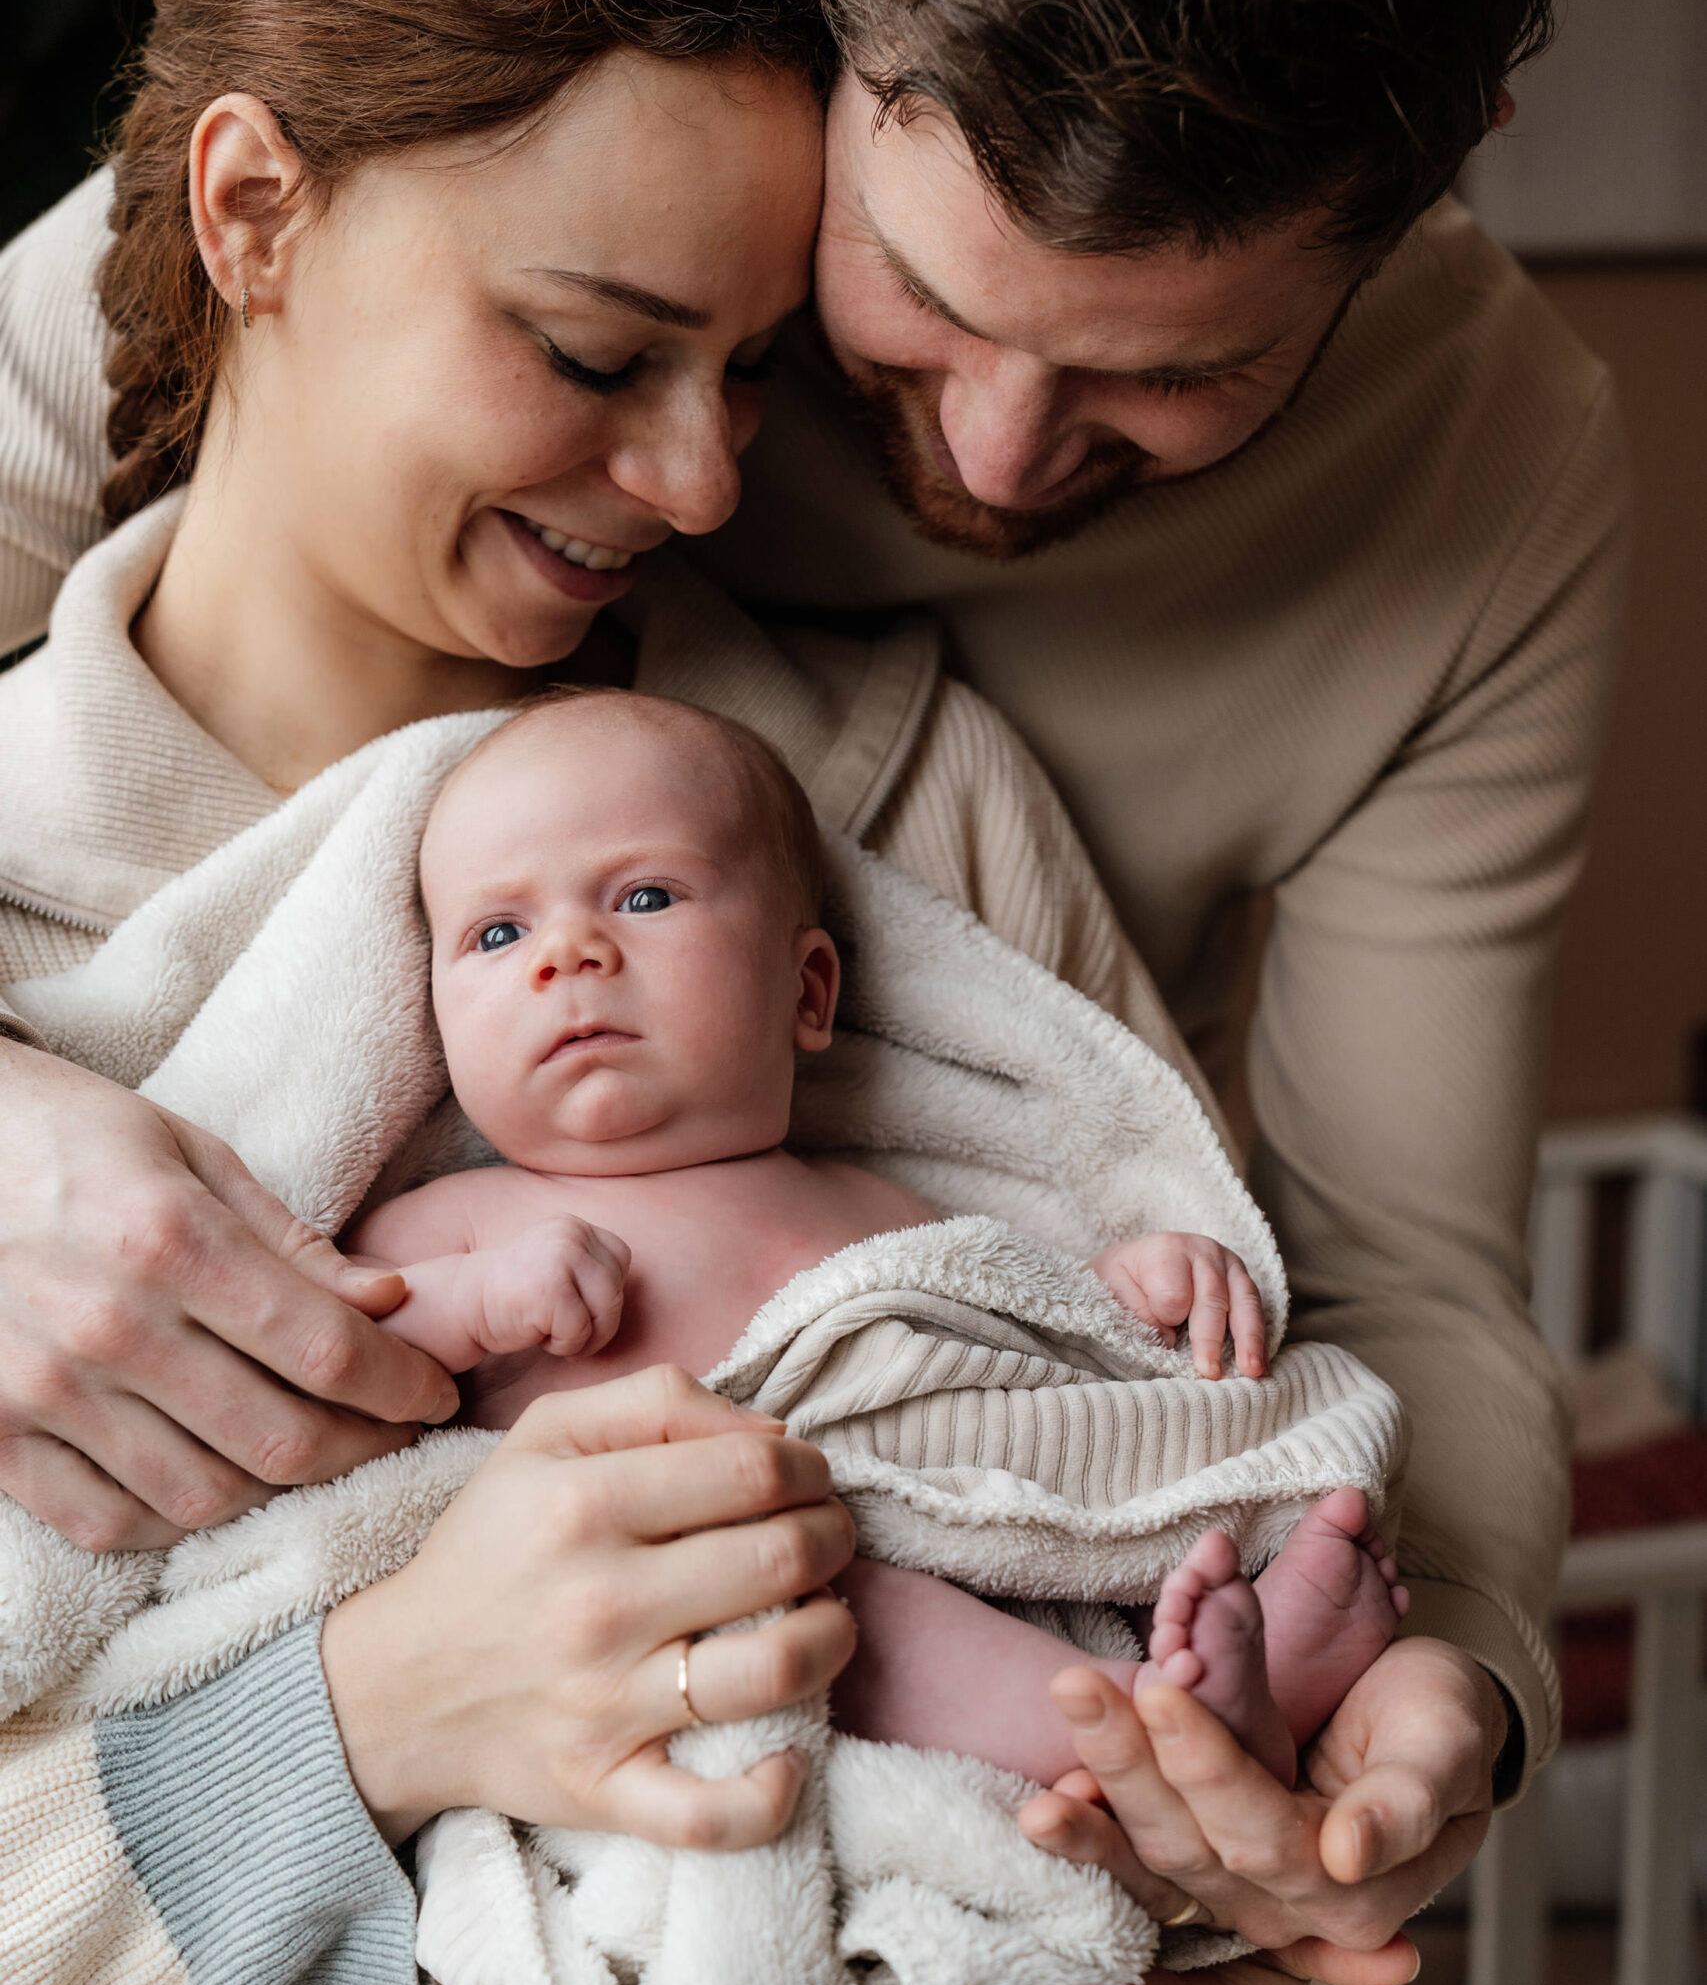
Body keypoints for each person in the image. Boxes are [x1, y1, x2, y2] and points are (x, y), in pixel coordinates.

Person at [0, 0, 1398, 1985]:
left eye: (751, 368)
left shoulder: (888, 820)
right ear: (251, 214)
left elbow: (1168, 1473)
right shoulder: (25, 920)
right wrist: (373, 1708)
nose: (696, 482)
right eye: (587, 346)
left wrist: (1154, 1938)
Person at [351, 685, 1407, 1793]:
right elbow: (348, 1360)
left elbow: (1007, 1333)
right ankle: (1149, 1735)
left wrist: (1125, 1286)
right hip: (726, 1579)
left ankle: (1217, 1683)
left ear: (808, 992)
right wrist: (477, 1303)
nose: (567, 953)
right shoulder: (464, 1221)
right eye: (498, 931)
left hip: (962, 1522)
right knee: (836, 1591)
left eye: (646, 895)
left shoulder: (868, 1199)